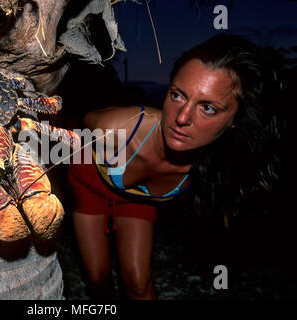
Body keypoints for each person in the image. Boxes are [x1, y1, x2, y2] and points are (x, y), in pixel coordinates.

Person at [67, 34, 283, 300]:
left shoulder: (221, 167)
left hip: (137, 200)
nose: (182, 117)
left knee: (137, 282)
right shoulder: (114, 128)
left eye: (208, 108)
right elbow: (70, 125)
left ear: (235, 120)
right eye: (177, 95)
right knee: (98, 278)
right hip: (90, 185)